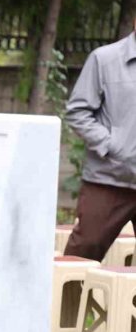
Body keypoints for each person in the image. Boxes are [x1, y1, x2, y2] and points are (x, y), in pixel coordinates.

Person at [64, 17, 136, 261]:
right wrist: (112, 146)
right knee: (83, 252)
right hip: (109, 179)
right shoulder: (104, 59)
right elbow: (77, 111)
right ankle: (68, 301)